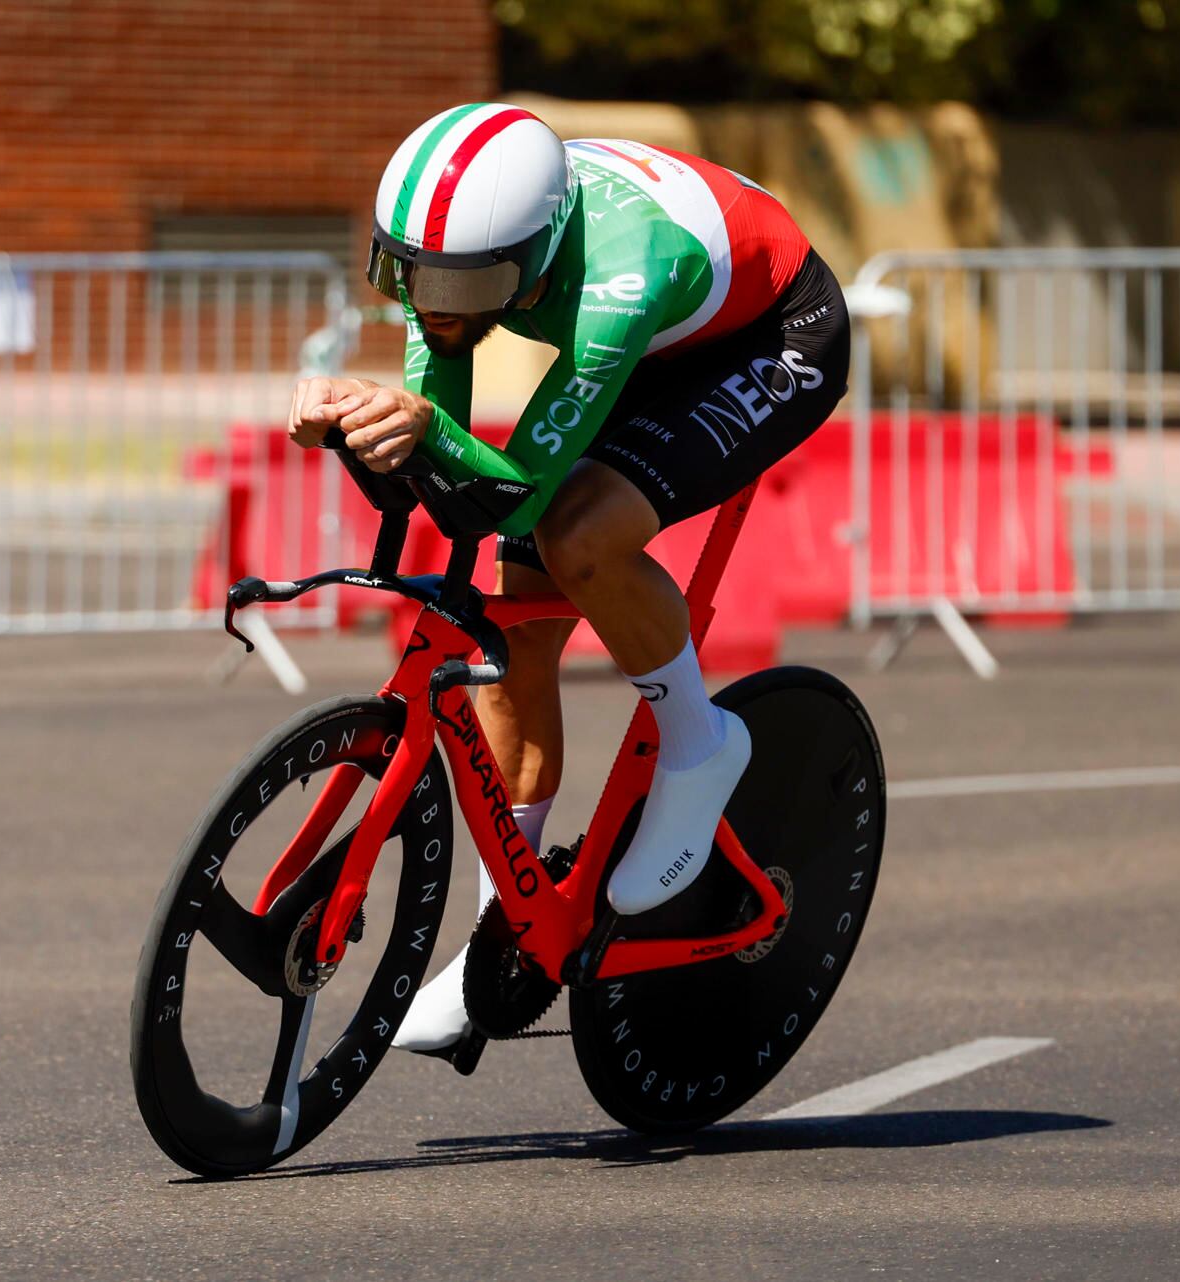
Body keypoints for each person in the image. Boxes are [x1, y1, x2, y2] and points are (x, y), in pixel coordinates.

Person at [286, 103, 850, 1056]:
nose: (436, 301)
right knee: (513, 629)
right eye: (409, 273)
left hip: (774, 336)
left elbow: (513, 496)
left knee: (577, 533)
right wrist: (369, 420)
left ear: (536, 253)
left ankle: (698, 743)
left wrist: (423, 431)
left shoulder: (620, 278)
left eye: (467, 282)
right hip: (660, 340)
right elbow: (443, 430)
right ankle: (498, 936)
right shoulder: (460, 255)